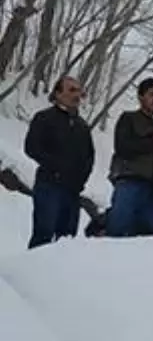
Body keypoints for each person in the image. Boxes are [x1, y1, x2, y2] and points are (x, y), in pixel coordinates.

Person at [23, 76, 94, 248]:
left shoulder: (82, 126)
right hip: (49, 185)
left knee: (67, 239)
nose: (76, 95)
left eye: (78, 91)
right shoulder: (44, 118)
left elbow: (89, 157)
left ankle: (57, 274)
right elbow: (31, 147)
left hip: (73, 190)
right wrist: (55, 167)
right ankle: (31, 271)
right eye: (71, 90)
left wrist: (80, 180)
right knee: (43, 234)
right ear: (58, 94)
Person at [107, 78, 153, 237]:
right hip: (129, 178)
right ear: (141, 96)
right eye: (152, 94)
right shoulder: (128, 119)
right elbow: (122, 147)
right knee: (119, 226)